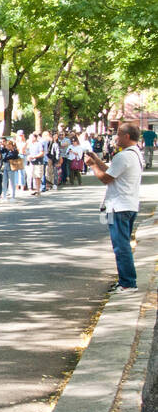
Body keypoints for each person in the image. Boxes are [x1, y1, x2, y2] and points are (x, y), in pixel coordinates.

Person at [86, 123, 143, 294]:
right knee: (122, 244)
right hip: (128, 204)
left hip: (119, 206)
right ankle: (126, 280)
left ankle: (128, 282)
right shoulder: (134, 154)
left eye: (118, 134)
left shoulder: (124, 156)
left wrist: (92, 165)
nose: (115, 138)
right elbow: (112, 171)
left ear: (127, 136)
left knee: (121, 246)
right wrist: (97, 160)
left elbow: (106, 178)